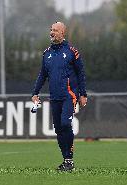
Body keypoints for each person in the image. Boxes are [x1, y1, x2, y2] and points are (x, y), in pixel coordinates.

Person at [32, 22, 87, 171]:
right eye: (51, 30)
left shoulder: (72, 51)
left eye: (55, 30)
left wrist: (83, 94)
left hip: (69, 95)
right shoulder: (47, 53)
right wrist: (35, 93)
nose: (52, 32)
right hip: (54, 96)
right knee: (58, 129)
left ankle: (69, 160)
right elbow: (42, 75)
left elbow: (81, 73)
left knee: (64, 124)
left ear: (63, 33)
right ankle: (66, 160)